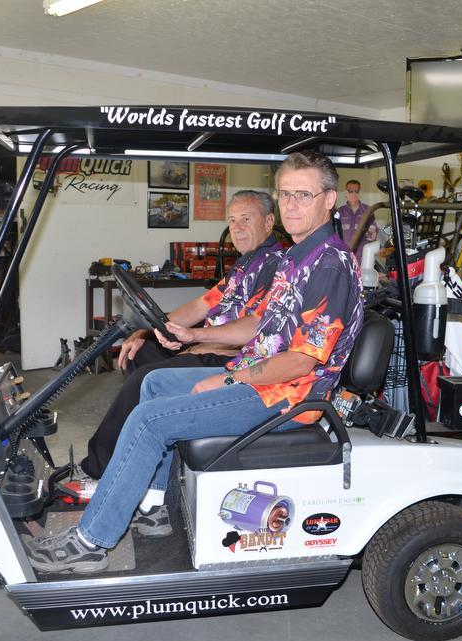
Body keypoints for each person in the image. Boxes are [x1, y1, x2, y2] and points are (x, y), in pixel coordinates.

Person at [25, 150, 364, 573]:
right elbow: (259, 324)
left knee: (150, 420)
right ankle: (153, 508)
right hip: (261, 381)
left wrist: (228, 380)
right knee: (150, 385)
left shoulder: (328, 264)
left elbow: (299, 362)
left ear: (329, 200)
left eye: (303, 195)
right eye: (284, 194)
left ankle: (93, 540)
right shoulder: (296, 259)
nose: (291, 205)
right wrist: (193, 334)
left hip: (287, 398)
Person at [58, 190, 285, 537]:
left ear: (269, 222)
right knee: (139, 354)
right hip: (208, 344)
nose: (237, 228)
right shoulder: (246, 265)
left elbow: (255, 333)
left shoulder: (277, 267)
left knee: (147, 379)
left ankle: (98, 469)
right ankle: (148, 470)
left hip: (232, 358)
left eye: (247, 219)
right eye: (233, 220)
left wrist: (193, 344)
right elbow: (199, 306)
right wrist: (149, 331)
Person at [335, 179, 378, 257]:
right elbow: (334, 233)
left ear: (360, 193)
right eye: (350, 191)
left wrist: (373, 232)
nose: (353, 194)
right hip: (344, 255)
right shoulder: (339, 212)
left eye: (356, 191)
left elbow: (374, 229)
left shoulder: (368, 210)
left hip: (362, 256)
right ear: (345, 193)